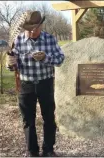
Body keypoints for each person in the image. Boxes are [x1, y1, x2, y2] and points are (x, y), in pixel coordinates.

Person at [6, 10, 65, 157]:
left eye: (35, 28)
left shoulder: (50, 39)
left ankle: (48, 149)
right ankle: (32, 151)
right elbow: (12, 66)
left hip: (46, 83)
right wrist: (10, 63)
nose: (32, 32)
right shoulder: (17, 41)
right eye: (29, 29)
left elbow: (60, 59)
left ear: (41, 25)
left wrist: (46, 58)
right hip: (26, 85)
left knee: (49, 118)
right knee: (28, 120)